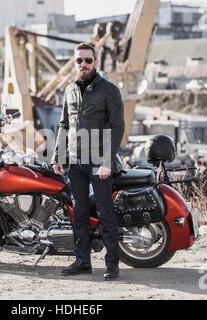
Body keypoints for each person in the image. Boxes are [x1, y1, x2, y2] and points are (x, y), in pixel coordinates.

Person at [52, 42, 124, 280]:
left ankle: (112, 264)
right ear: (74, 63)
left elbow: (117, 127)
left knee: (105, 212)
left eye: (87, 60)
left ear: (96, 62)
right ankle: (82, 262)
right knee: (79, 212)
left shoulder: (109, 90)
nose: (83, 64)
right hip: (75, 162)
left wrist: (106, 161)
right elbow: (64, 125)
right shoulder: (70, 90)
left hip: (99, 162)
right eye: (79, 60)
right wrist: (58, 156)